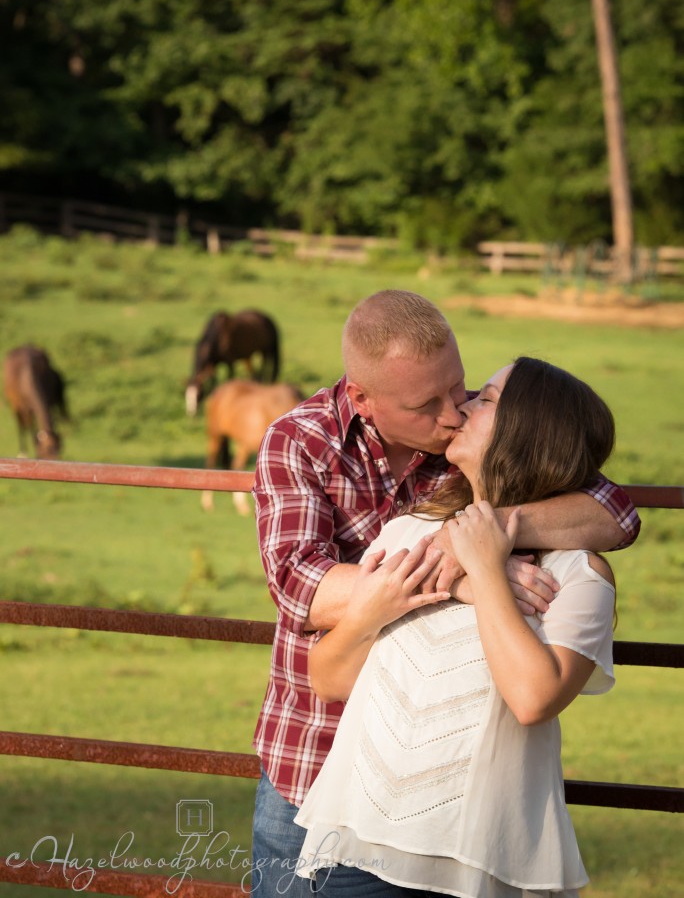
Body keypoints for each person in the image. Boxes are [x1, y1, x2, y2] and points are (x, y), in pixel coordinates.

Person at [250, 291, 638, 896]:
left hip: (451, 804)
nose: (452, 412)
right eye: (426, 404)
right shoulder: (301, 442)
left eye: (461, 390)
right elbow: (303, 586)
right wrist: (459, 574)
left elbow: (615, 511)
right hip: (315, 750)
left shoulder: (463, 450)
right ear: (363, 399)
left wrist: (486, 538)